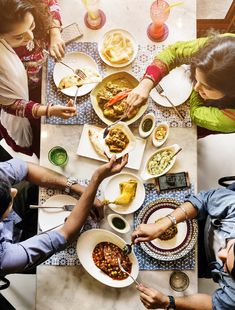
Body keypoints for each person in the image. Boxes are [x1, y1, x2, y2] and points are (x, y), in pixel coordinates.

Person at [0, 155, 128, 275]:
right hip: (17, 244)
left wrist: (79, 189)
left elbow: (26, 168)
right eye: (9, 198)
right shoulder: (5, 258)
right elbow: (66, 235)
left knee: (29, 188)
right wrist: (96, 180)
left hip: (14, 219)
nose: (14, 190)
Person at [132, 185, 235, 310]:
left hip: (204, 264)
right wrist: (160, 225)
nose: (220, 254)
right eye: (230, 248)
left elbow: (215, 304)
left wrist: (167, 302)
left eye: (226, 266)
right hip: (202, 216)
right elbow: (204, 200)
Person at [0, 0, 77, 157]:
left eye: (32, 25)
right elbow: (11, 105)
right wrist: (49, 110)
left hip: (42, 74)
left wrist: (55, 32)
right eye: (19, 36)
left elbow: (51, 3)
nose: (31, 37)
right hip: (26, 93)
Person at [126, 33, 235, 136]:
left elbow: (196, 113)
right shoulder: (221, 46)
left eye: (207, 87)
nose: (197, 88)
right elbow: (174, 52)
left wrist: (195, 87)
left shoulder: (231, 120)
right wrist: (145, 84)